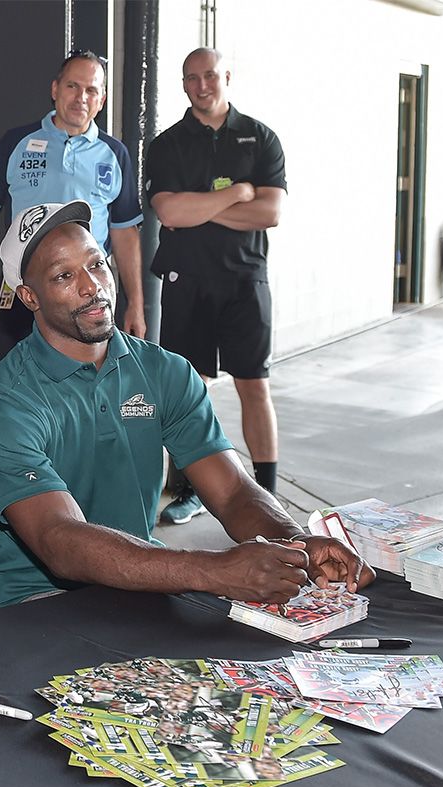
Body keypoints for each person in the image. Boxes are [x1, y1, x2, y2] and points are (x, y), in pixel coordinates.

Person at [0, 200, 372, 607]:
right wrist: (214, 571)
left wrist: (296, 544)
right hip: (36, 609)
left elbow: (231, 492)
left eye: (96, 263)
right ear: (30, 297)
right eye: (64, 276)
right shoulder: (4, 405)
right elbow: (60, 540)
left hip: (142, 590)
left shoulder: (165, 372)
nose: (92, 286)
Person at [144, 48, 286, 522]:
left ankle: (265, 492)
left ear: (227, 76)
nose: (201, 85)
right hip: (187, 281)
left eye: (210, 76)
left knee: (254, 386)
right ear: (183, 85)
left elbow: (271, 213)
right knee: (189, 390)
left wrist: (201, 209)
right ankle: (191, 491)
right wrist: (235, 194)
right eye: (191, 78)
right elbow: (170, 213)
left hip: (246, 280)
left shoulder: (261, 138)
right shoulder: (167, 144)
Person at [0, 49, 145, 369]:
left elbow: (125, 234)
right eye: (73, 86)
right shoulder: (16, 142)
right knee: (13, 385)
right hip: (23, 289)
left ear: (101, 100)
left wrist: (136, 304)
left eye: (91, 90)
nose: (81, 98)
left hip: (87, 291)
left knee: (89, 387)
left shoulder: (115, 154)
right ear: (55, 89)